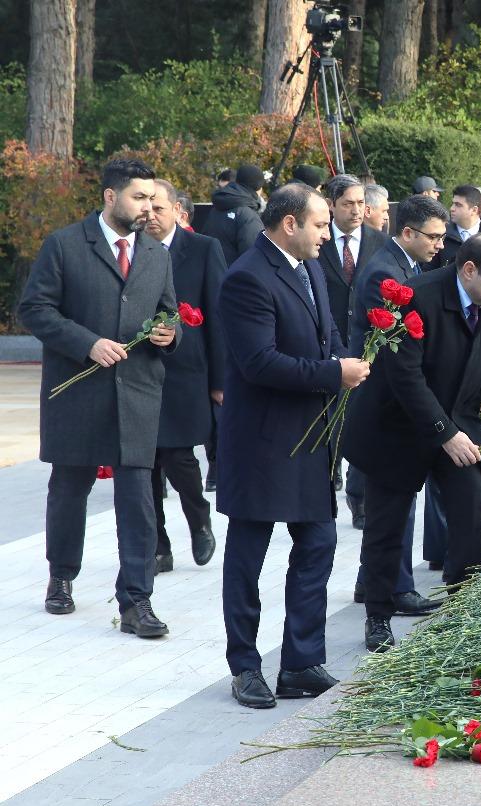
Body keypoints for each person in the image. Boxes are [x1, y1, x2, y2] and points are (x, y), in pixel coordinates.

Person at [342, 235, 481, 652]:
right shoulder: (419, 297)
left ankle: (463, 605)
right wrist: (446, 433)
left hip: (456, 422)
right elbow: (406, 378)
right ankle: (378, 615)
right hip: (396, 425)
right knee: (387, 526)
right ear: (469, 271)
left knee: (471, 501)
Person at [217, 184, 370, 708]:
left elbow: (325, 336)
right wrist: (334, 372)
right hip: (262, 443)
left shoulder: (310, 268)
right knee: (248, 558)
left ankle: (301, 662)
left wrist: (349, 362)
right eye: (321, 224)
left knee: (319, 545)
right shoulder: (246, 278)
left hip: (311, 439)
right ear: (289, 224)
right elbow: (258, 362)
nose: (329, 234)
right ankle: (244, 667)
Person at [19, 158, 178, 634]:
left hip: (138, 395)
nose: (149, 207)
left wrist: (169, 334)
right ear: (111, 197)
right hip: (77, 394)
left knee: (139, 498)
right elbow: (35, 309)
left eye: (153, 198)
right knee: (69, 490)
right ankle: (61, 577)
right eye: (139, 197)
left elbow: (168, 311)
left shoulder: (157, 254)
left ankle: (136, 601)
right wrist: (85, 343)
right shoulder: (65, 245)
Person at [347, 196, 449, 616]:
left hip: (395, 403)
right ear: (407, 233)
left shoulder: (403, 265)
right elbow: (391, 347)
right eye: (434, 237)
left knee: (394, 510)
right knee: (391, 508)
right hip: (383, 405)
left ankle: (380, 581)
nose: (440, 246)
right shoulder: (383, 274)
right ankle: (391, 588)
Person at [145, 179, 224, 574]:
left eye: (159, 208)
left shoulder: (204, 249)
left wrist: (220, 381)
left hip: (187, 371)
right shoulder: (133, 249)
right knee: (145, 464)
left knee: (179, 457)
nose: (151, 215)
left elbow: (219, 316)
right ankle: (158, 545)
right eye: (146, 207)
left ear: (178, 210)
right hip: (140, 370)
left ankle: (199, 520)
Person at [318, 175, 388, 351]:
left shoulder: (382, 243)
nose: (356, 210)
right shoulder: (315, 242)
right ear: (330, 204)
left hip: (368, 347)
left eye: (360, 202)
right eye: (348, 204)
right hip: (325, 346)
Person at [202, 163, 265, 266]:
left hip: (212, 274)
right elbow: (254, 258)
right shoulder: (248, 216)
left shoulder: (217, 207)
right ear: (259, 188)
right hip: (235, 279)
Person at [436, 185, 481, 269]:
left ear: (474, 210)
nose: (452, 208)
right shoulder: (441, 232)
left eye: (458, 205)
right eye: (453, 204)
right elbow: (428, 269)